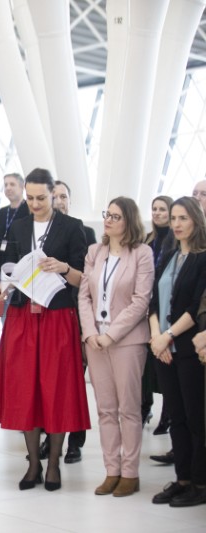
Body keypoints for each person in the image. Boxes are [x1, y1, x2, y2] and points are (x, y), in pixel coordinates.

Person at [0, 168, 90, 492]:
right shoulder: (18, 227)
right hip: (22, 316)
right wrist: (3, 287)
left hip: (57, 316)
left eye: (41, 198)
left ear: (54, 194)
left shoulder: (72, 228)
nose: (34, 204)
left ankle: (55, 463)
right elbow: (7, 270)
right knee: (24, 389)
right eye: (30, 198)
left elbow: (83, 278)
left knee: (56, 388)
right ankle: (33, 461)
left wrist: (63, 267)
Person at [78, 197, 154, 497]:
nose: (108, 220)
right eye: (106, 215)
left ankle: (130, 473)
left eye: (115, 216)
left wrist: (112, 335)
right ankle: (112, 470)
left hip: (127, 342)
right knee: (105, 409)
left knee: (129, 410)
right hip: (95, 341)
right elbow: (84, 296)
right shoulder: (95, 252)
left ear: (129, 222)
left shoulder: (142, 254)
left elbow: (141, 300)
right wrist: (89, 333)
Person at [148, 196, 206, 507]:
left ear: (196, 220)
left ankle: (200, 481)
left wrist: (168, 336)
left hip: (187, 348)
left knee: (196, 418)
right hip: (164, 349)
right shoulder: (169, 256)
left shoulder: (202, 258)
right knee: (177, 418)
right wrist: (157, 337)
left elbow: (195, 307)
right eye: (174, 218)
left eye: (183, 218)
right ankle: (182, 479)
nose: (177, 224)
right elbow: (154, 301)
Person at [49, 179, 96, 464]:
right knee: (51, 380)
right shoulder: (38, 233)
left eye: (63, 196)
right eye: (54, 196)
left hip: (76, 311)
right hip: (49, 313)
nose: (59, 201)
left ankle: (75, 441)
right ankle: (51, 438)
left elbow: (88, 277)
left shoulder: (83, 230)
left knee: (74, 380)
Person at [144, 195, 174, 441]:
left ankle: (168, 414)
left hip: (165, 306)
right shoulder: (149, 239)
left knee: (164, 361)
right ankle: (146, 408)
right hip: (146, 304)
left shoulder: (173, 241)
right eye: (154, 209)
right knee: (146, 365)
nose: (158, 213)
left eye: (163, 209)